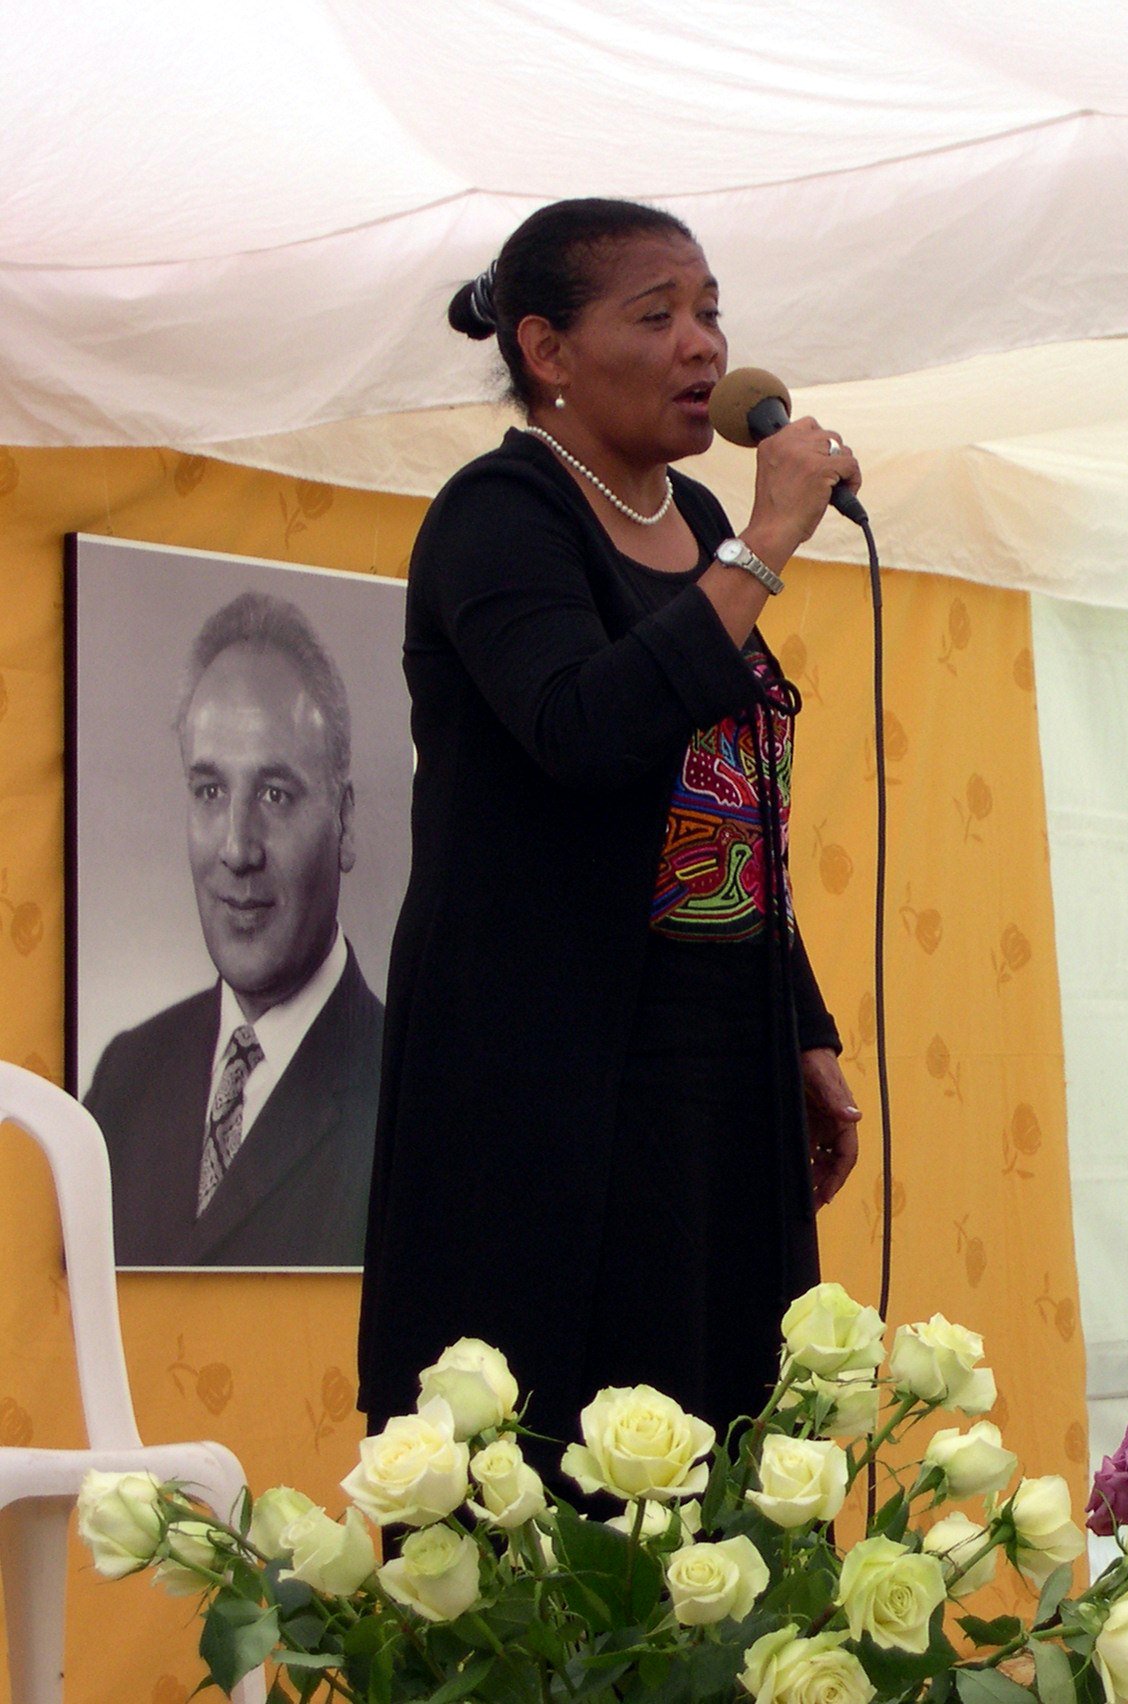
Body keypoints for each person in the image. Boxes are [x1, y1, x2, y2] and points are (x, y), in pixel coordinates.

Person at [356, 199, 862, 1437]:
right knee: (549, 1436)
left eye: (710, 313)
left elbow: (725, 794)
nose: (703, 346)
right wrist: (770, 541)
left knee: (723, 1424)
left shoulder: (693, 528)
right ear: (548, 350)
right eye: (659, 316)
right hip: (546, 1067)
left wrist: (798, 1024)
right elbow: (583, 729)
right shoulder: (499, 515)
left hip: (712, 1054)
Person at [86, 593, 383, 1268]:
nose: (237, 848)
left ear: (344, 822)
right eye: (210, 791)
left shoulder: (408, 1090)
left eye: (275, 794)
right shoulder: (123, 1081)